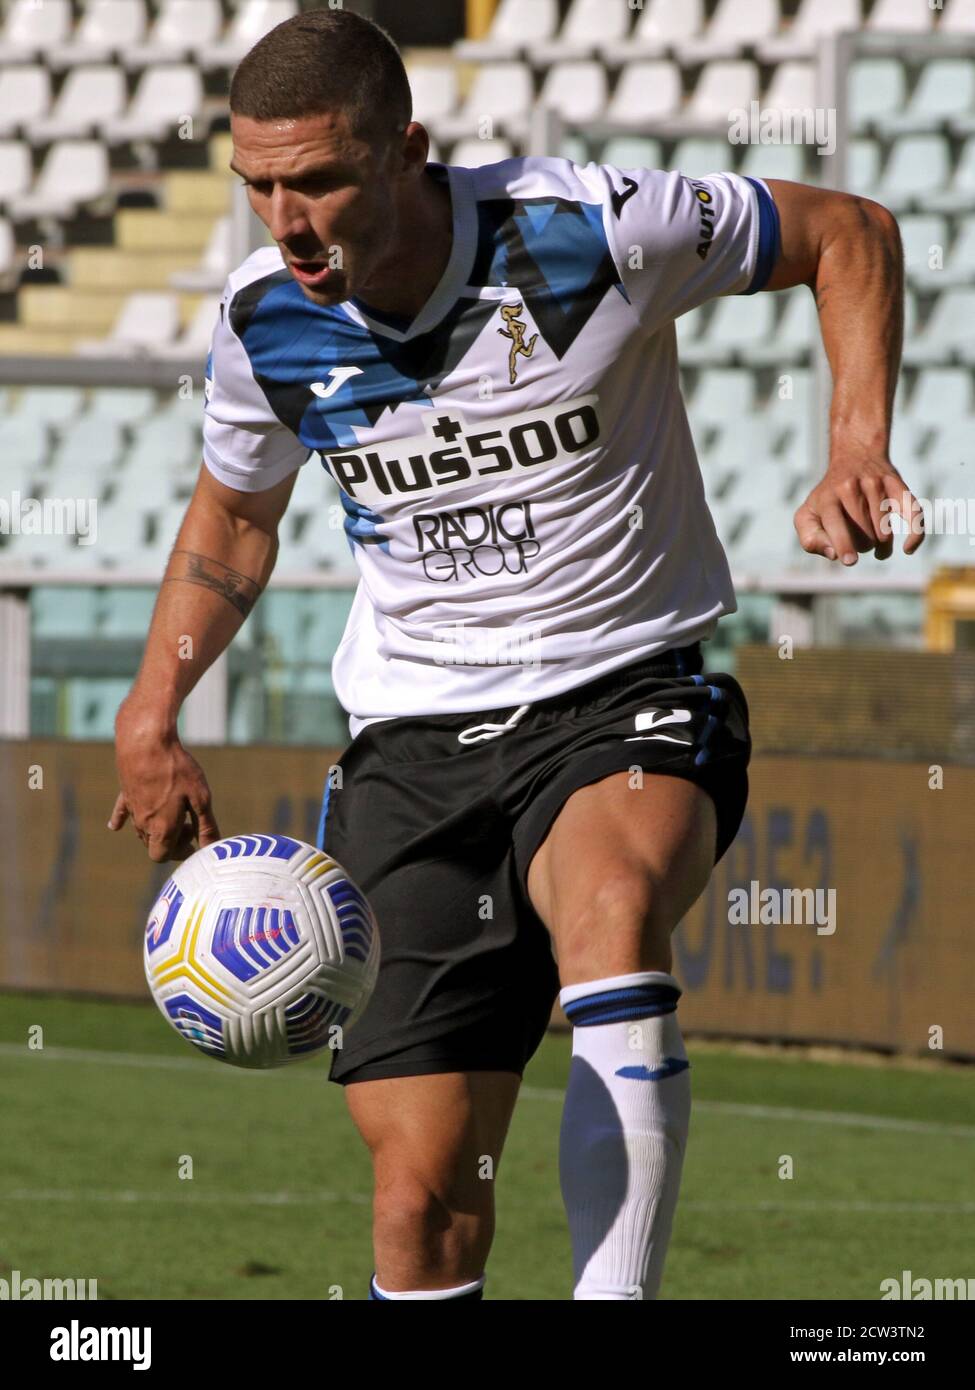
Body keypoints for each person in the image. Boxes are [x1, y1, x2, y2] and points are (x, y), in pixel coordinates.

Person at [110, 9, 922, 1300]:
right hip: (413, 747)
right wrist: (152, 710)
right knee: (422, 1201)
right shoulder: (264, 323)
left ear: (406, 151)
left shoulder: (588, 230)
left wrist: (855, 445)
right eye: (259, 185)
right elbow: (234, 514)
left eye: (317, 178)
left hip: (623, 687)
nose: (288, 219)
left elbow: (851, 233)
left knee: (607, 905)